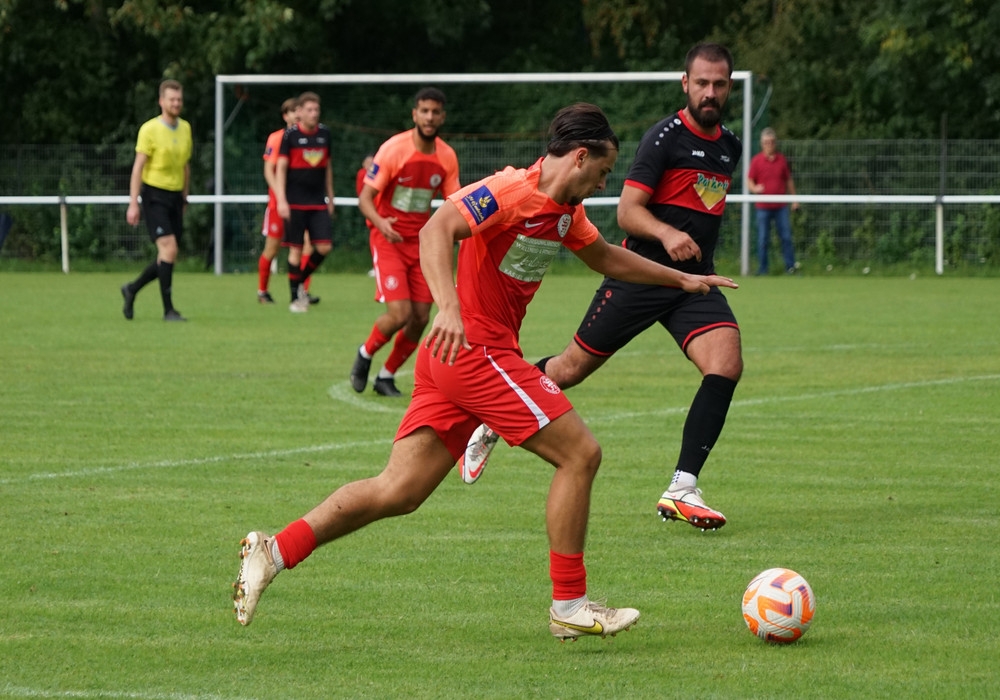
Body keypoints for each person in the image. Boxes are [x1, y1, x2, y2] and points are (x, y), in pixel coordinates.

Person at [231, 103, 738, 639]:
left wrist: (682, 281)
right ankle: (569, 605)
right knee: (581, 454)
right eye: (603, 172)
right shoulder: (511, 190)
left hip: (459, 358)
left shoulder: (567, 210)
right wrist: (447, 307)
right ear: (581, 157)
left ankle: (274, 550)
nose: (603, 183)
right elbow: (436, 228)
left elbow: (607, 258)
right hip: (475, 349)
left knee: (398, 490)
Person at [458, 43, 743, 533]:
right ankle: (492, 416)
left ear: (730, 86)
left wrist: (689, 274)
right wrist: (668, 235)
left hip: (690, 281)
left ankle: (682, 487)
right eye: (702, 83)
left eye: (719, 84)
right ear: (686, 83)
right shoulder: (664, 138)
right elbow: (628, 215)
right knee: (570, 369)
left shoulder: (730, 145)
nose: (710, 92)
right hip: (638, 276)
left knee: (726, 362)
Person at [350, 88, 461, 397]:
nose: (429, 117)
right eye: (423, 111)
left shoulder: (447, 156)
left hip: (421, 244)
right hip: (388, 240)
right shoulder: (393, 150)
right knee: (400, 313)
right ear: (414, 114)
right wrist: (381, 222)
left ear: (442, 116)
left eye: (435, 112)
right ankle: (365, 353)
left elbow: (454, 203)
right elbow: (365, 198)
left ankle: (386, 376)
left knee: (422, 317)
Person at [121, 78, 192, 322]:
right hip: (154, 195)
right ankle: (168, 310)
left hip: (174, 196)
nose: (176, 103)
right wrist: (133, 202)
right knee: (169, 249)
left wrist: (184, 197)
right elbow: (138, 167)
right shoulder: (149, 129)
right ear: (161, 101)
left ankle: (132, 289)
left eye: (179, 99)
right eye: (172, 99)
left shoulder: (185, 128)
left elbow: (185, 166)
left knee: (167, 255)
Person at [273, 91, 335, 313]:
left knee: (324, 246)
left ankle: (299, 282)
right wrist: (281, 199)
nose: (314, 114)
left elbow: (327, 166)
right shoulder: (290, 136)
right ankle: (294, 299)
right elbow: (280, 168)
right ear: (300, 112)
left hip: (318, 201)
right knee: (296, 251)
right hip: (294, 202)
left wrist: (331, 196)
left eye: (316, 110)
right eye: (309, 110)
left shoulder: (325, 134)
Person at [256, 97, 318, 305]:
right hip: (278, 205)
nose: (296, 115)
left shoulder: (309, 138)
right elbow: (269, 170)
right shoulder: (276, 138)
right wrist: (281, 195)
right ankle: (262, 291)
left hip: (302, 204)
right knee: (272, 249)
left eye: (298, 111)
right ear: (285, 116)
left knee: (308, 246)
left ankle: (301, 290)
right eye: (292, 111)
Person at [748, 127, 799, 275]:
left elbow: (789, 180)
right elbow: (749, 180)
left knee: (786, 237)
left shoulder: (782, 160)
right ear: (762, 143)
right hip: (763, 207)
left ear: (775, 143)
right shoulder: (757, 161)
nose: (769, 145)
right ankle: (763, 269)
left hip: (780, 206)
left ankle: (790, 267)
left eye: (771, 142)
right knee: (763, 239)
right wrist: (755, 188)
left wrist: (795, 200)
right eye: (766, 142)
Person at [355, 153, 376, 278]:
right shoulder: (362, 174)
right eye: (368, 163)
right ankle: (376, 265)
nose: (370, 166)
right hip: (372, 209)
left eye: (372, 163)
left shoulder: (377, 174)